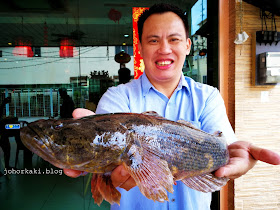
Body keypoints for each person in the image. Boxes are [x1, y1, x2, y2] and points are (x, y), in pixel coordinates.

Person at [64, 3, 280, 210]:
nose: (164, 49)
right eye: (153, 40)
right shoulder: (117, 98)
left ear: (187, 45)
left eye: (174, 39)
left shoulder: (208, 97)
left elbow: (226, 147)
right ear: (140, 48)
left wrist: (235, 155)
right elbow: (101, 151)